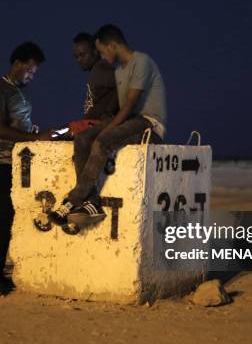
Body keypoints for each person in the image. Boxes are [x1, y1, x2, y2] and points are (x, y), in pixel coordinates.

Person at [49, 24, 167, 226]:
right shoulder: (120, 71)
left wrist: (107, 127)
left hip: (148, 123)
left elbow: (129, 106)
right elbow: (118, 107)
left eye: (102, 51)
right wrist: (97, 125)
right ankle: (92, 202)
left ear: (112, 46)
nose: (101, 57)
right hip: (130, 121)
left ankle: (74, 198)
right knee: (84, 136)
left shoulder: (141, 62)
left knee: (102, 141)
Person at [0, 41, 54, 297]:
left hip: (14, 165)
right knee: (2, 217)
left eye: (35, 73)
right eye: (30, 70)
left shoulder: (18, 92)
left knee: (10, 218)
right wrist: (35, 138)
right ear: (17, 64)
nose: (32, 76)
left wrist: (30, 132)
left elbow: (17, 127)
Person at [72, 32, 119, 121]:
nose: (79, 60)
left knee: (54, 134)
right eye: (76, 57)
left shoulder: (100, 68)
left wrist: (109, 112)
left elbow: (121, 84)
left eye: (82, 55)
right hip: (88, 124)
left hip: (96, 125)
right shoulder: (95, 71)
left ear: (95, 52)